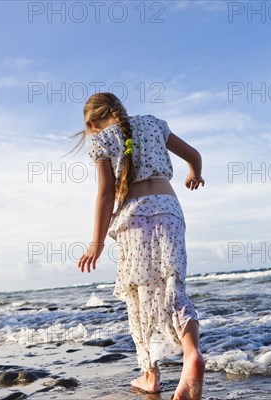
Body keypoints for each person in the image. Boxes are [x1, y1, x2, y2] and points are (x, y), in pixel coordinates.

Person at [73, 92, 205, 400]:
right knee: (174, 287)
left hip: (134, 218)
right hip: (170, 208)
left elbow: (106, 194)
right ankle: (191, 354)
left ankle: (150, 375)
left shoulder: (102, 139)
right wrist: (194, 175)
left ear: (92, 123)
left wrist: (97, 242)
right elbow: (194, 156)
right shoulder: (154, 124)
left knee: (140, 295)